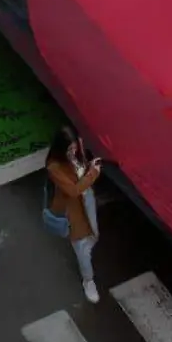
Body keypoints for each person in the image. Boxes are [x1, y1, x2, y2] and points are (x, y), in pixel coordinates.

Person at [45, 126, 104, 303]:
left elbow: (82, 173)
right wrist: (93, 173)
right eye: (69, 149)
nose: (73, 152)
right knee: (82, 250)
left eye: (74, 148)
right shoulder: (54, 167)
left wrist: (90, 167)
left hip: (87, 202)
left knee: (93, 234)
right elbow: (73, 190)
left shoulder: (77, 152)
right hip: (73, 212)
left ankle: (89, 249)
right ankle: (89, 281)